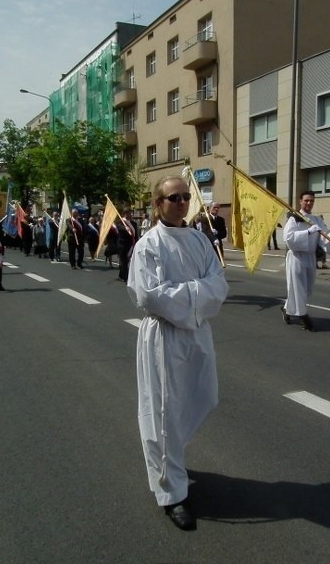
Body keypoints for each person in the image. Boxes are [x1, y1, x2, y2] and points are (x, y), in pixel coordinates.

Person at [127, 175, 228, 531]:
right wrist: (197, 293)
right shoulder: (149, 245)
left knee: (201, 397)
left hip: (197, 334)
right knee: (165, 412)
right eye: (174, 198)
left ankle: (171, 461)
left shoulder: (200, 240)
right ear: (158, 204)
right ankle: (172, 494)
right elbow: (150, 295)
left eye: (186, 196)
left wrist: (189, 294)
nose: (182, 202)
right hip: (165, 337)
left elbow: (220, 284)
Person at [281, 190, 330, 331]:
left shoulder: (316, 219)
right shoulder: (294, 218)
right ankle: (303, 317)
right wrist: (307, 232)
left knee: (307, 289)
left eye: (311, 200)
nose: (309, 203)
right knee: (299, 288)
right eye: (306, 200)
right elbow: (288, 238)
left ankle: (287, 308)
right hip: (297, 256)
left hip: (310, 257)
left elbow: (326, 233)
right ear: (300, 201)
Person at [115, 209, 138, 282]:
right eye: (127, 213)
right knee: (124, 261)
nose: (129, 215)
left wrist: (137, 242)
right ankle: (125, 277)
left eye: (130, 213)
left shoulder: (134, 223)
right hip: (123, 245)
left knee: (128, 261)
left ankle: (121, 275)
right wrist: (125, 228)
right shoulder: (120, 222)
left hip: (132, 244)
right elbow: (119, 228)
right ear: (124, 214)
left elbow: (135, 234)